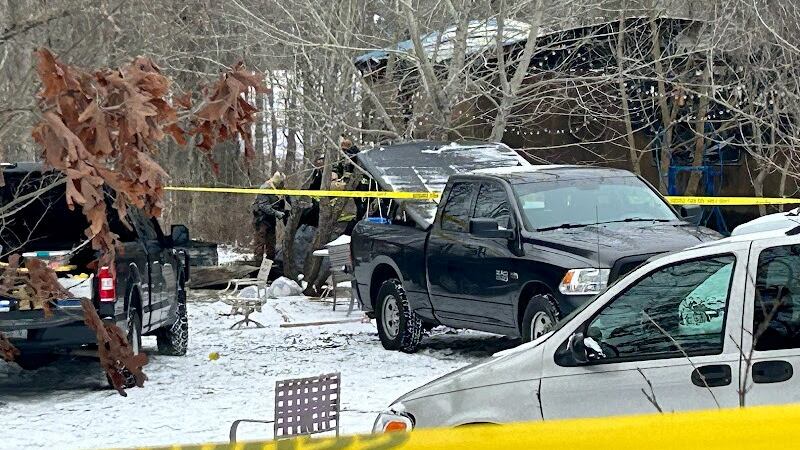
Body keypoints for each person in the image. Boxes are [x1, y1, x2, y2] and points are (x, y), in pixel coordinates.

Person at [252, 171, 286, 262]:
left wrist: (282, 211)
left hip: (270, 218)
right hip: (261, 218)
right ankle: (258, 264)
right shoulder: (265, 187)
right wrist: (276, 213)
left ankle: (270, 263)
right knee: (260, 242)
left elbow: (280, 202)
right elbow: (263, 206)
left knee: (271, 243)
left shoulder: (279, 189)